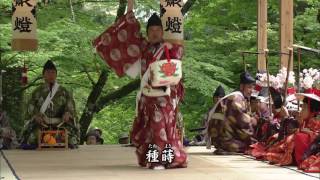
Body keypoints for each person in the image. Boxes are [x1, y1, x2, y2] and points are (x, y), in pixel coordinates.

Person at [94, 0, 187, 169]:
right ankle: (154, 158)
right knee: (148, 130)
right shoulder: (143, 47)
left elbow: (178, 57)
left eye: (158, 29)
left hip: (165, 96)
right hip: (147, 96)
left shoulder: (172, 47)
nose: (154, 33)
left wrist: (170, 46)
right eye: (151, 30)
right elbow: (129, 32)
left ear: (163, 31)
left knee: (161, 127)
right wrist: (130, 7)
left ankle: (162, 159)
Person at [20, 60, 79, 149]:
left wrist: (67, 113)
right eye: (48, 72)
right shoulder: (37, 92)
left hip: (60, 124)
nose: (51, 75)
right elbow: (30, 108)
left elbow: (70, 106)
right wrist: (36, 116)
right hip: (41, 124)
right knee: (32, 139)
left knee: (69, 139)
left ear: (56, 75)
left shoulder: (64, 91)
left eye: (53, 72)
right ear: (43, 75)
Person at [215, 72, 257, 153]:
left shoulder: (234, 96)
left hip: (221, 139)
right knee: (253, 147)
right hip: (227, 141)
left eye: (253, 88)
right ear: (241, 86)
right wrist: (252, 121)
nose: (251, 91)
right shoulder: (236, 99)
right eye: (249, 87)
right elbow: (244, 125)